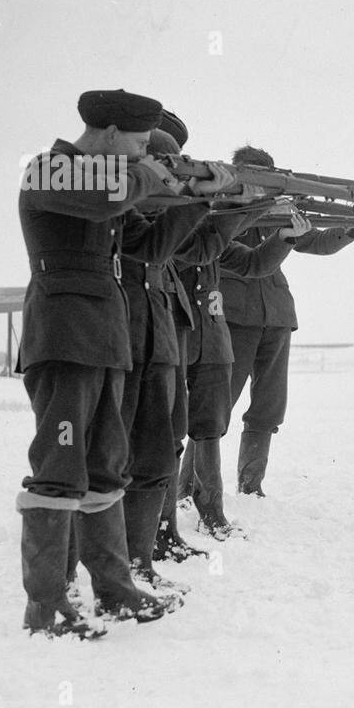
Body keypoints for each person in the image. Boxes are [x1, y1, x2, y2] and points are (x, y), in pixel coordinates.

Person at [16, 89, 222, 638]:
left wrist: (205, 199)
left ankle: (113, 591)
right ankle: (46, 606)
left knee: (106, 467)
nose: (142, 153)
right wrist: (162, 175)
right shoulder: (50, 170)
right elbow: (114, 195)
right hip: (63, 340)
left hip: (106, 341)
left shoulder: (111, 182)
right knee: (60, 469)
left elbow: (151, 248)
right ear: (108, 132)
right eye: (136, 142)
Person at [116, 114, 236, 591]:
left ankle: (150, 549)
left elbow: (197, 246)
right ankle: (120, 563)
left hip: (163, 331)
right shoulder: (118, 203)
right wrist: (206, 198)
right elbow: (175, 247)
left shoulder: (156, 206)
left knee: (163, 445)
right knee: (114, 455)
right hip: (128, 333)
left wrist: (237, 207)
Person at [171, 188, 313, 538]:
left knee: (209, 422)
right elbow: (199, 245)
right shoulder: (176, 227)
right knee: (170, 428)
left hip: (211, 336)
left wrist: (283, 236)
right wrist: (248, 209)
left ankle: (210, 513)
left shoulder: (213, 235)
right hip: (177, 334)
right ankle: (165, 519)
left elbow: (254, 263)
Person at [220, 145, 354, 497]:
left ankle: (250, 487)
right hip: (234, 316)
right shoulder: (220, 212)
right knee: (216, 407)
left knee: (268, 407)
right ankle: (191, 487)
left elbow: (316, 242)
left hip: (277, 317)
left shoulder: (281, 210)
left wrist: (349, 226)